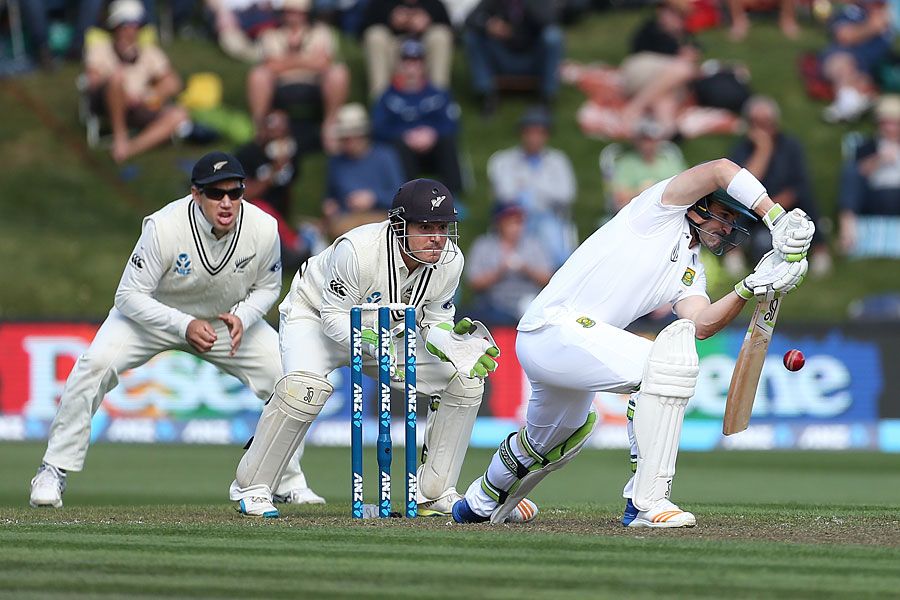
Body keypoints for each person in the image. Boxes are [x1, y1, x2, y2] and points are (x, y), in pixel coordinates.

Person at [451, 158, 814, 527]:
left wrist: (750, 287)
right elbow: (721, 168)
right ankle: (646, 502)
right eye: (724, 214)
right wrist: (776, 216)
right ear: (699, 204)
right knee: (664, 366)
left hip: (572, 344)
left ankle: (478, 503)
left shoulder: (692, 268)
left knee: (556, 436)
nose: (728, 227)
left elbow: (702, 324)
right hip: (553, 327)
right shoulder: (657, 210)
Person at [29, 151, 323, 509]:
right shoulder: (164, 226)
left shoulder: (263, 228)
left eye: (235, 192)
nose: (227, 202)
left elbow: (267, 287)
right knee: (94, 364)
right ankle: (53, 469)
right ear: (196, 194)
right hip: (153, 319)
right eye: (216, 193)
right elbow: (128, 296)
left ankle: (281, 480)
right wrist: (183, 325)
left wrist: (243, 317)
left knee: (289, 380)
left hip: (224, 322)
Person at [228, 178, 534, 521]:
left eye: (443, 227)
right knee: (304, 389)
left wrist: (452, 343)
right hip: (314, 317)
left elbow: (433, 320)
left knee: (463, 380)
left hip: (387, 332)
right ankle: (251, 488)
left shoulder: (450, 261)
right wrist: (368, 342)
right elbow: (333, 316)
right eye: (425, 227)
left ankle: (432, 492)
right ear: (399, 225)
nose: (436, 237)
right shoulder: (358, 251)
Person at [728, 95, 832, 274]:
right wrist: (763, 149)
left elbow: (800, 181)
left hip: (785, 203)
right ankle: (733, 252)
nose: (762, 127)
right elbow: (744, 183)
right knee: (736, 201)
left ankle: (820, 250)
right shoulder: (742, 149)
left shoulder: (790, 146)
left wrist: (775, 205)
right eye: (756, 122)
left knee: (806, 195)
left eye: (766, 122)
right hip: (754, 206)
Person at [83, 0, 191, 163]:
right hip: (109, 102)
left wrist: (150, 95)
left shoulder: (148, 52)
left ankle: (130, 148)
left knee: (179, 114)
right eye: (127, 24)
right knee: (116, 80)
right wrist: (121, 90)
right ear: (116, 26)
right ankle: (120, 137)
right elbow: (93, 81)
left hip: (140, 105)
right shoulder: (100, 48)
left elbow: (173, 81)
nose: (131, 30)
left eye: (136, 24)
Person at [246, 0, 350, 153]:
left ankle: (330, 127)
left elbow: (325, 63)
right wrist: (307, 60)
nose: (292, 16)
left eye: (296, 12)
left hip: (315, 83)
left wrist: (285, 61)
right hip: (280, 84)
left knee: (339, 72)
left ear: (306, 14)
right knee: (257, 75)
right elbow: (269, 65)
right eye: (288, 12)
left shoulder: (322, 32)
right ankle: (260, 129)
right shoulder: (270, 34)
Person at [371, 39, 463, 197]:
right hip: (404, 152)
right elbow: (378, 128)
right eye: (407, 62)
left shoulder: (438, 94)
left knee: (448, 140)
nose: (411, 68)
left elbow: (452, 123)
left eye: (416, 62)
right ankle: (408, 195)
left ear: (423, 65)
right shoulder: (387, 97)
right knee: (397, 146)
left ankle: (451, 195)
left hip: (433, 148)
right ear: (399, 65)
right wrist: (406, 135)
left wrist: (432, 133)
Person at [487, 106, 577, 268]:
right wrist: (537, 192)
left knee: (552, 242)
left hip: (548, 216)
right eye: (530, 132)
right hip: (514, 218)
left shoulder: (558, 160)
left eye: (539, 133)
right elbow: (504, 194)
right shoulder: (503, 160)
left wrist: (530, 188)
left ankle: (553, 276)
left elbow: (567, 194)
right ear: (522, 133)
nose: (534, 138)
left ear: (546, 135)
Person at [462, 0, 564, 115]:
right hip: (503, 57)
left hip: (533, 58)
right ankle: (487, 94)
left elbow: (549, 20)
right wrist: (489, 25)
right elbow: (469, 19)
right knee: (472, 37)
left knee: (553, 36)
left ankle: (547, 96)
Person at [324, 103, 407, 237]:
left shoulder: (385, 156)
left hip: (380, 219)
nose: (346, 142)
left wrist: (373, 198)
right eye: (343, 138)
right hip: (346, 222)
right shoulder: (336, 161)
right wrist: (330, 206)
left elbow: (401, 197)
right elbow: (331, 196)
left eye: (349, 138)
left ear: (362, 135)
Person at [465, 202, 553, 326]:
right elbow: (474, 283)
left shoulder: (534, 244)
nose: (516, 227)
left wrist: (526, 269)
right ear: (499, 223)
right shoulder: (483, 245)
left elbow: (548, 279)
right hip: (493, 304)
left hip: (528, 301)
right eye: (510, 222)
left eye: (519, 222)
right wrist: (500, 271)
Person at [838, 94, 900, 257]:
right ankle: (847, 230)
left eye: (895, 123)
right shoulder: (867, 145)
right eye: (886, 123)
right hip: (875, 196)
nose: (890, 128)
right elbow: (857, 175)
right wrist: (879, 159)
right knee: (851, 171)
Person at [359, 0, 454, 98]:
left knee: (440, 35)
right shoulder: (380, 3)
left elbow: (451, 32)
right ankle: (380, 101)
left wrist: (427, 22)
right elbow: (362, 31)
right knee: (375, 35)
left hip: (423, 51)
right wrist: (391, 20)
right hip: (392, 51)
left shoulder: (434, 4)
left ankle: (439, 101)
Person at [820, 0, 894, 123]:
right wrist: (871, 27)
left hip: (873, 67)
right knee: (843, 65)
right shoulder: (850, 12)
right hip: (844, 58)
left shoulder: (886, 17)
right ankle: (847, 104)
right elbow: (844, 35)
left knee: (864, 80)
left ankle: (851, 103)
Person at [609, 118, 687, 213]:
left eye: (651, 140)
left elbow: (685, 188)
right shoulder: (626, 164)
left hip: (669, 212)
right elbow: (619, 199)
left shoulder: (669, 161)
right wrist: (642, 192)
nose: (647, 144)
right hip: (638, 212)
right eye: (644, 140)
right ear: (636, 141)